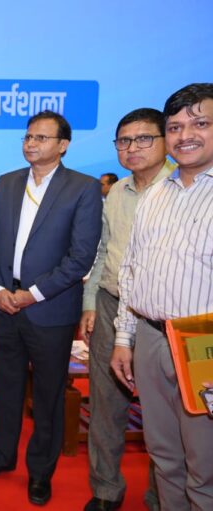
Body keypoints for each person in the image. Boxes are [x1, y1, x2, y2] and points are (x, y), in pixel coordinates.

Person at [0, 110, 102, 506]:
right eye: (28, 137)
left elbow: (80, 257)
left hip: (50, 309)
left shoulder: (83, 188)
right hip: (4, 304)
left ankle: (41, 473)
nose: (31, 143)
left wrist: (33, 293)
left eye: (41, 138)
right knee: (5, 384)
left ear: (63, 145)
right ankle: (1, 456)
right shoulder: (7, 182)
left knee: (48, 395)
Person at [112, 83, 213, 511]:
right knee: (164, 457)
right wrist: (124, 338)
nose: (185, 135)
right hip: (152, 338)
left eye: (200, 123)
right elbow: (131, 270)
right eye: (175, 127)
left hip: (203, 345)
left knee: (205, 468)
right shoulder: (155, 194)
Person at [79, 108, 173, 511]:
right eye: (123, 140)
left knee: (164, 412)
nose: (132, 147)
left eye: (143, 138)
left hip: (161, 315)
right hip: (111, 302)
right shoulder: (117, 192)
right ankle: (105, 489)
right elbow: (103, 252)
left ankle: (161, 497)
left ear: (166, 140)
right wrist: (90, 303)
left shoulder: (184, 189)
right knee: (105, 403)